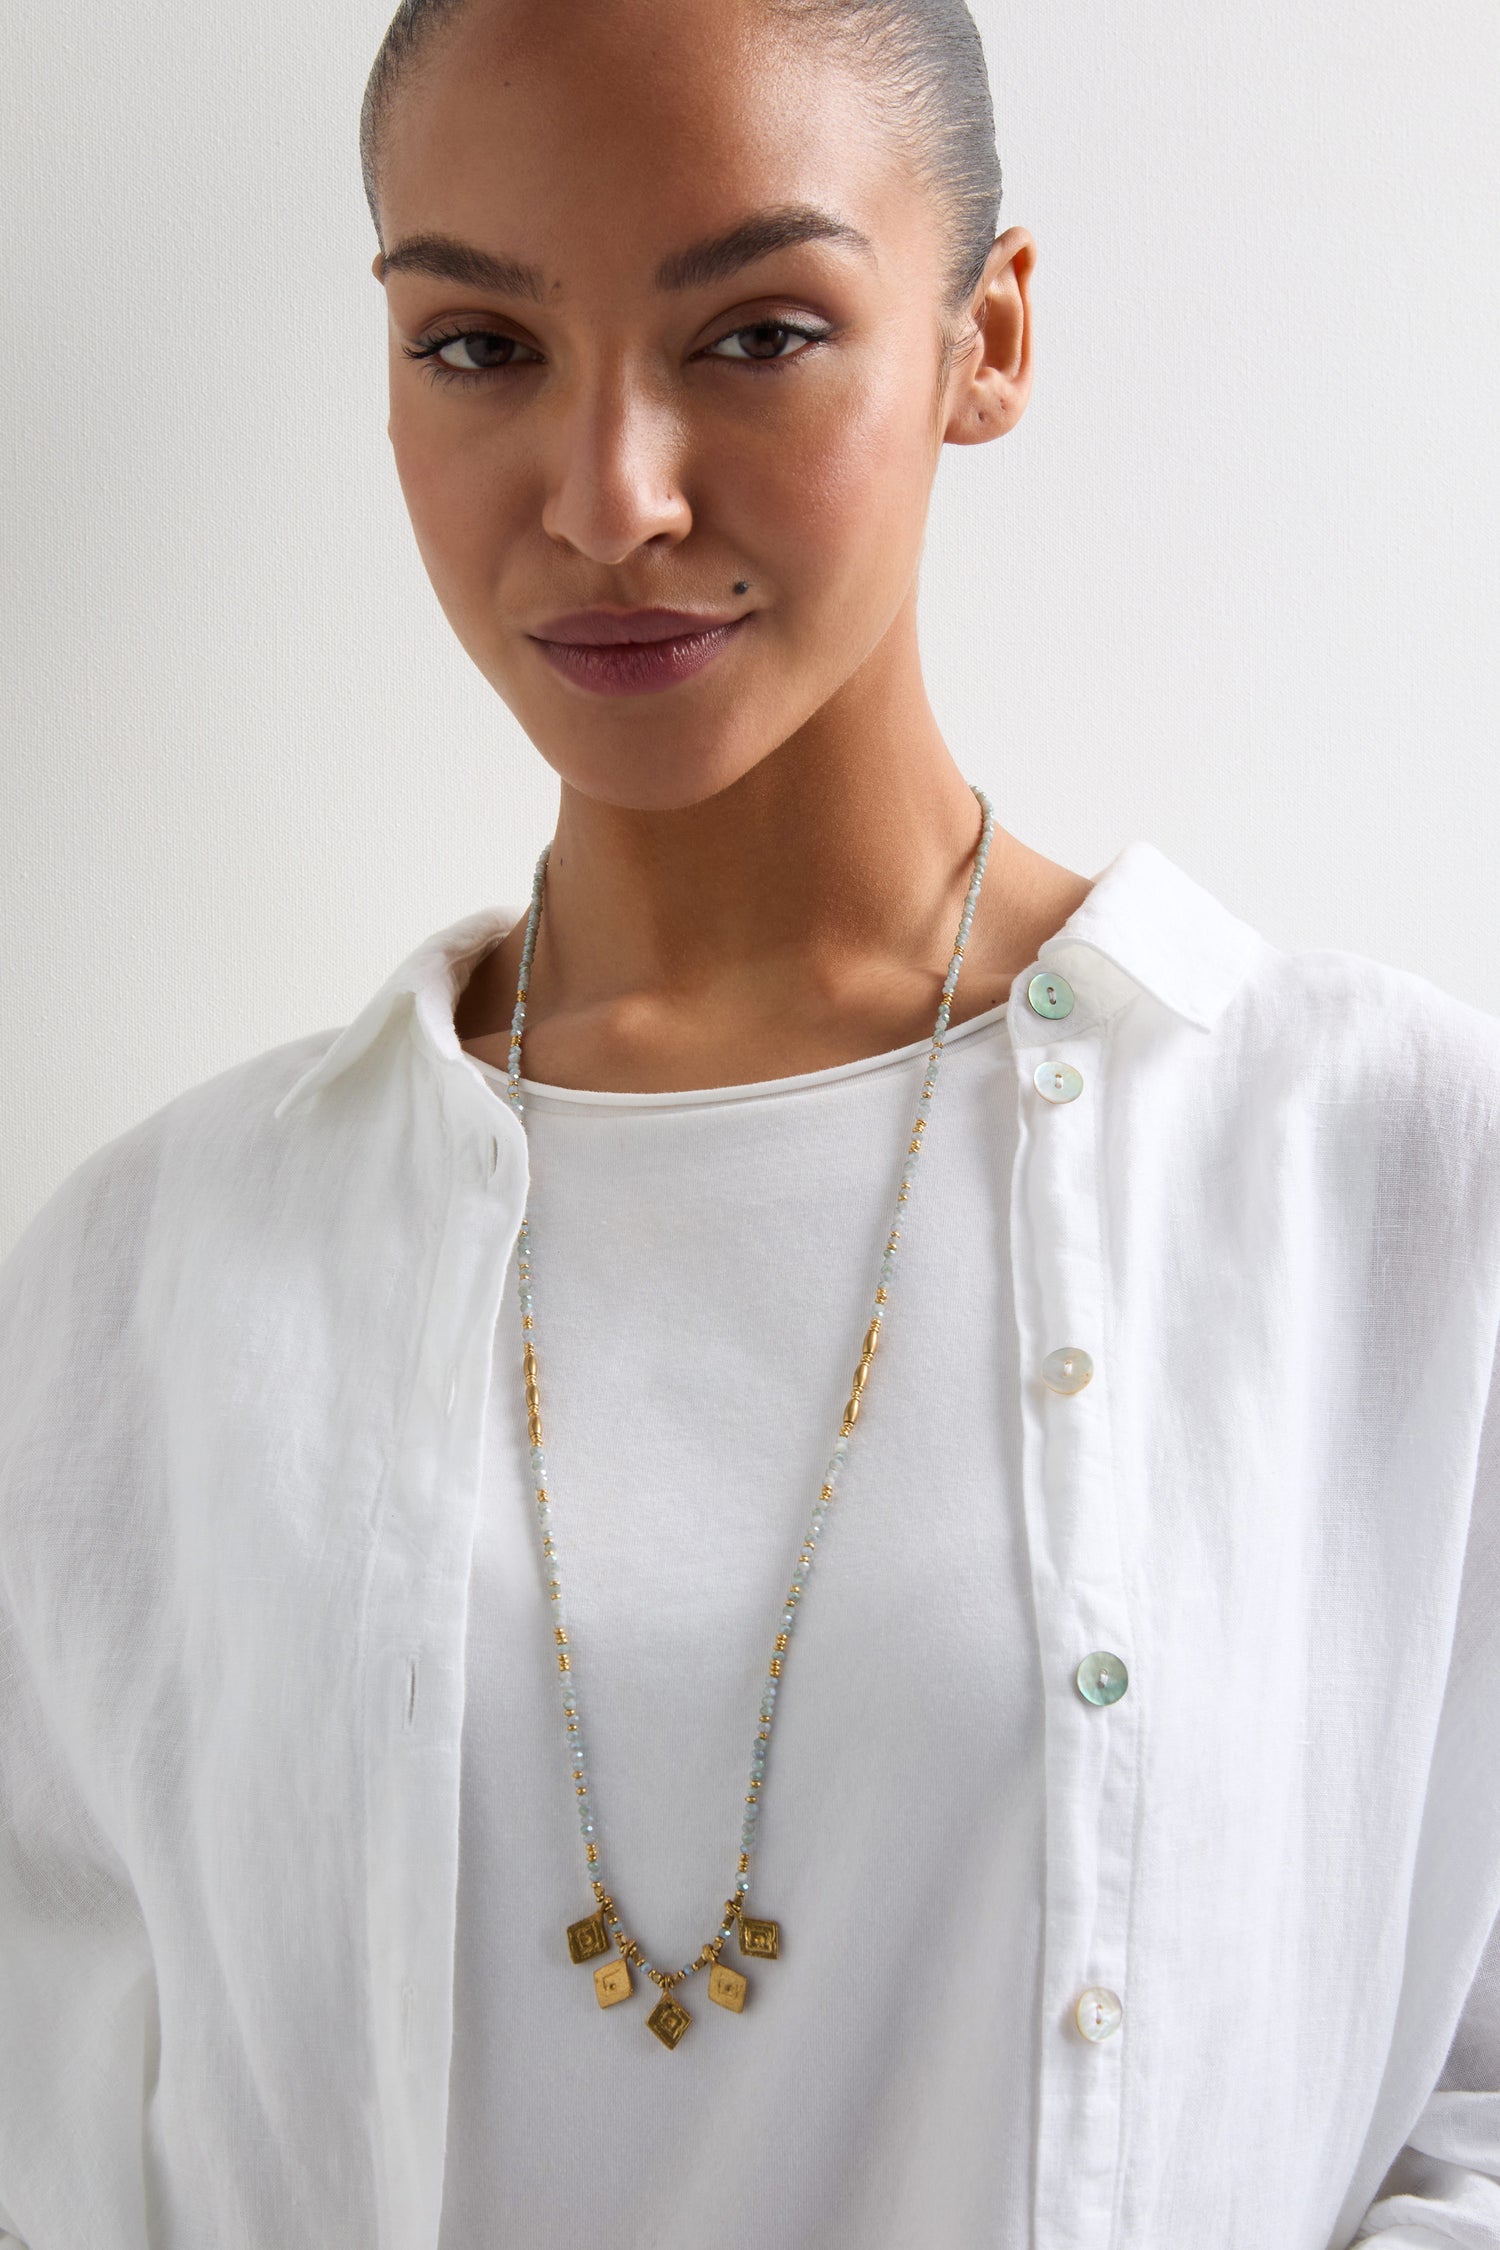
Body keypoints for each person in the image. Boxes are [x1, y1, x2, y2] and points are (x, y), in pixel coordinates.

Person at [0, 0, 1497, 2244]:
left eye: (761, 331)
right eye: (481, 347)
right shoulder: (148, 1281)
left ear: (987, 340)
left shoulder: (1382, 1182)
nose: (610, 496)